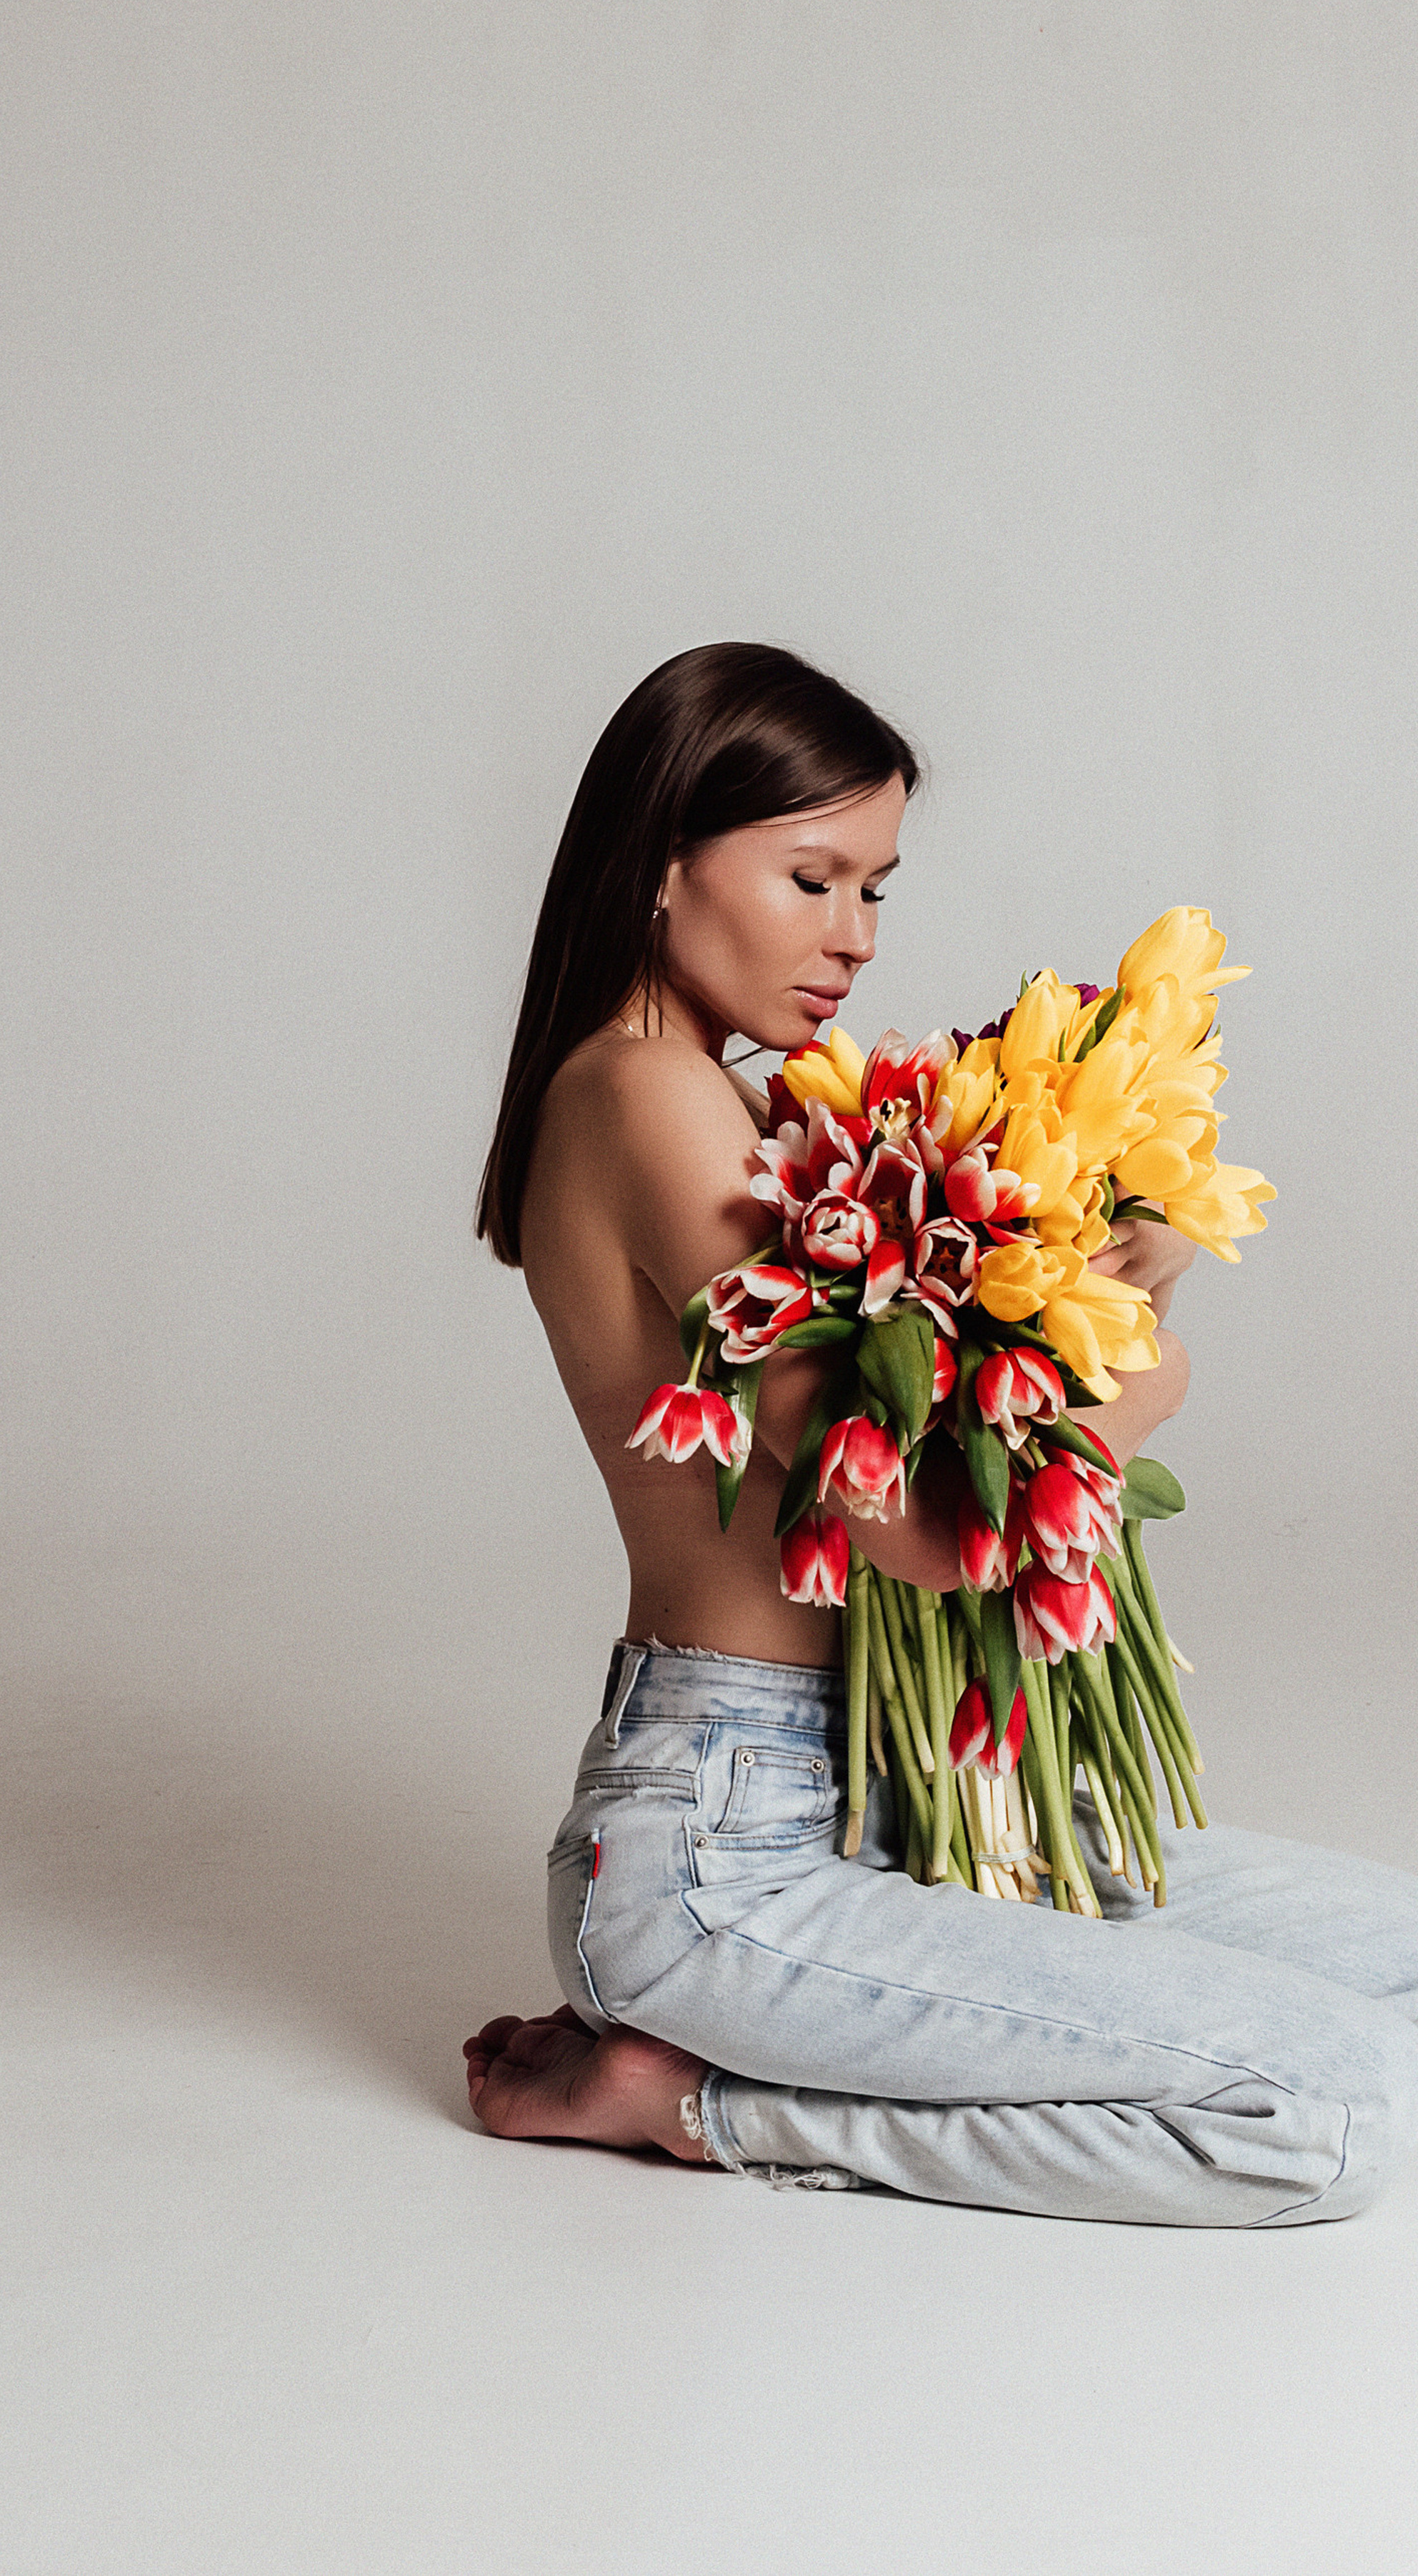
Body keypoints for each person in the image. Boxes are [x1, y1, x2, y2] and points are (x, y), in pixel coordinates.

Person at [463, 641, 1418, 2225]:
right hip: (727, 1849)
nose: (848, 939)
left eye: (875, 889)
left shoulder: (749, 1099)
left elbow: (954, 1371)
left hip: (902, 1793)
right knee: (1319, 2113)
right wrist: (1144, 1369)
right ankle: (696, 2103)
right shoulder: (644, 1094)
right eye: (808, 878)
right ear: (658, 864)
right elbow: (916, 1528)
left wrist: (1120, 1241)